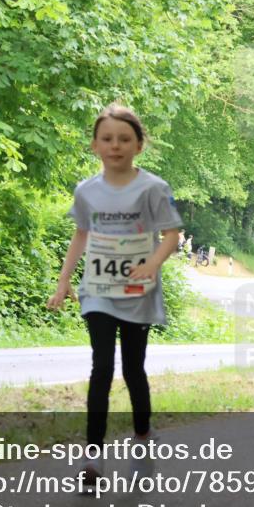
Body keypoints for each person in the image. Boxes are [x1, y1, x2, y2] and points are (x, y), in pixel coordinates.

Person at [47, 103, 182, 483]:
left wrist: (152, 264)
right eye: (107, 139)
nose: (115, 146)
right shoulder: (86, 191)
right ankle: (93, 459)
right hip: (99, 290)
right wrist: (64, 281)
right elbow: (81, 235)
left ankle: (142, 438)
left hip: (138, 291)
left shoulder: (154, 188)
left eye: (124, 139)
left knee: (133, 368)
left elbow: (171, 236)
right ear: (94, 145)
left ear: (139, 145)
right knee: (102, 367)